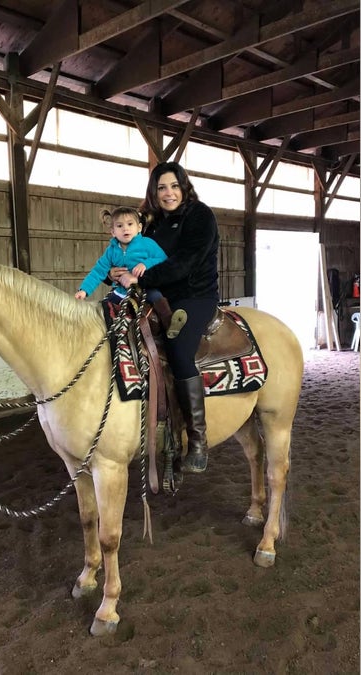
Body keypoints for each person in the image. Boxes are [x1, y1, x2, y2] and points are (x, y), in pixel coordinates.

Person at [113, 162, 220, 473]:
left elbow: (186, 262)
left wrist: (142, 280)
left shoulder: (200, 216)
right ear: (154, 192)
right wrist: (117, 273)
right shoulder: (151, 223)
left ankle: (198, 441)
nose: (168, 193)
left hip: (194, 297)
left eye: (174, 186)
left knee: (179, 351)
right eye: (161, 188)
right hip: (156, 296)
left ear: (184, 187)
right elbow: (132, 256)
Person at [74, 206, 184, 336]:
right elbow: (98, 271)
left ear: (139, 228)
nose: (125, 228)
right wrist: (84, 290)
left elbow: (162, 259)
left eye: (130, 224)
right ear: (113, 232)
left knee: (157, 298)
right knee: (103, 309)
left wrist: (146, 263)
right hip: (121, 292)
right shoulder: (111, 251)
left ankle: (170, 323)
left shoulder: (147, 244)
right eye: (120, 226)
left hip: (145, 288)